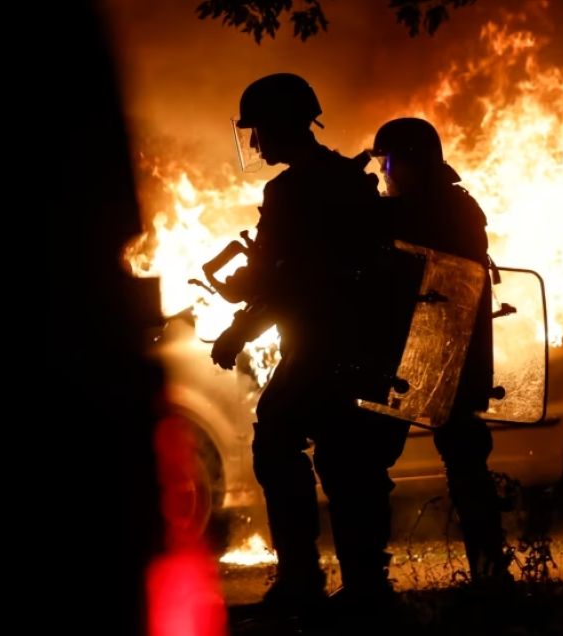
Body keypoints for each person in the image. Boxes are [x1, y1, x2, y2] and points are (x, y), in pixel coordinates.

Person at [209, 73, 403, 617]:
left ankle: (302, 580)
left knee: (276, 443)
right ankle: (366, 586)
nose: (256, 143)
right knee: (349, 463)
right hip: (362, 346)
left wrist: (239, 326)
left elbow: (287, 282)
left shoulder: (290, 191)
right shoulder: (349, 179)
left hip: (320, 346)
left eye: (260, 130)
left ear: (282, 125)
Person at [368, 117, 512, 583]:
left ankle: (371, 580)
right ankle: (490, 575)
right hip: (441, 354)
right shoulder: (456, 205)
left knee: (371, 460)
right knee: (463, 462)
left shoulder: (433, 210)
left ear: (414, 161)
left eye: (390, 161)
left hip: (433, 355)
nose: (387, 172)